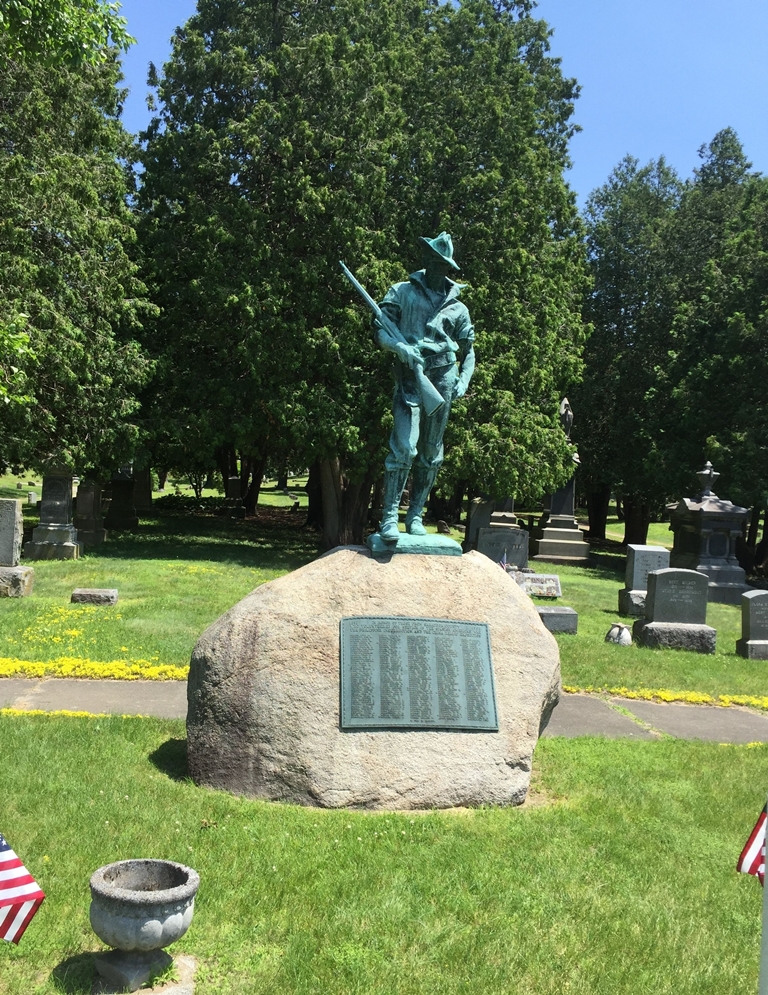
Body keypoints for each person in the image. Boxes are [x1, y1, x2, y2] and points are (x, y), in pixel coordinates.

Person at [373, 232, 475, 542]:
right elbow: (380, 329)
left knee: (431, 454)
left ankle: (415, 516)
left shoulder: (458, 308)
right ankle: (390, 518)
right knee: (404, 446)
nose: (434, 266)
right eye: (431, 259)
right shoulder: (402, 292)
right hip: (409, 377)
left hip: (443, 380)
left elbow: (468, 349)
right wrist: (399, 348)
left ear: (448, 267)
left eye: (441, 262)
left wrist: (463, 380)